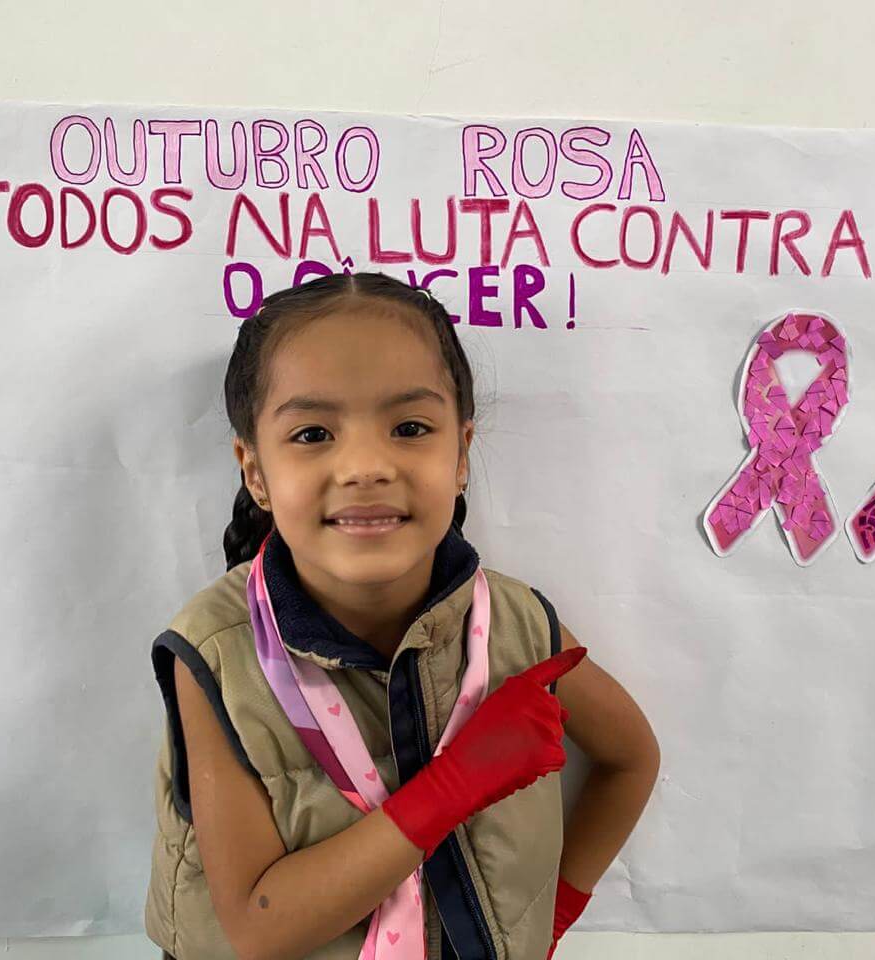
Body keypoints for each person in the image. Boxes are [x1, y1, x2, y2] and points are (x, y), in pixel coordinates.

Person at [144, 271, 660, 959]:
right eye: (313, 433)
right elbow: (257, 928)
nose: (365, 465)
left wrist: (553, 914)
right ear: (255, 471)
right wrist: (456, 784)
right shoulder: (217, 650)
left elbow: (631, 757)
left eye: (410, 427)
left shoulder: (516, 622)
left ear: (461, 455)